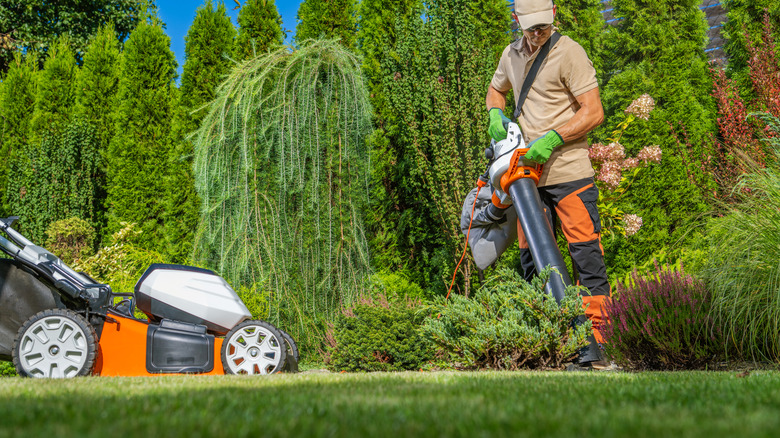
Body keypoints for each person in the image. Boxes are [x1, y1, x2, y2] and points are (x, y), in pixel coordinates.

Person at [485, 0, 610, 370]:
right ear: (517, 20)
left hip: (569, 173)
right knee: (533, 262)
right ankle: (548, 344)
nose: (538, 33)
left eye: (543, 25)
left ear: (553, 14)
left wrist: (554, 139)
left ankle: (598, 346)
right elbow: (497, 91)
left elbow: (594, 111)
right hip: (527, 179)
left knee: (585, 256)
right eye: (531, 28)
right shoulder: (510, 54)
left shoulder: (569, 52)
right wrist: (495, 111)